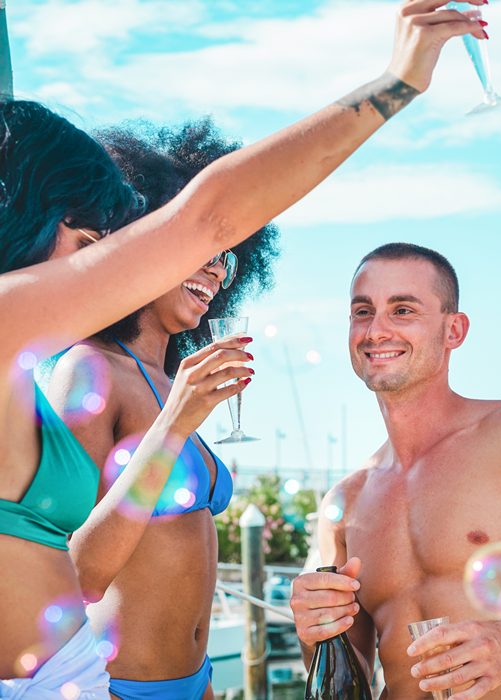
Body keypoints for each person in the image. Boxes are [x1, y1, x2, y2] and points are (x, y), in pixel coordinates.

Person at [0, 3, 487, 696]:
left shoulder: (126, 370)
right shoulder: (67, 355)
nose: (92, 263)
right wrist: (397, 82)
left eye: (225, 260)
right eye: (87, 245)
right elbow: (82, 570)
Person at [289, 243, 501, 700]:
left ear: (454, 330)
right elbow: (349, 674)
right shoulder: (346, 501)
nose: (376, 330)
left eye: (402, 310)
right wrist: (314, 633)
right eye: (362, 312)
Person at [45, 119, 278, 700]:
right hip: (117, 688)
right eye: (201, 249)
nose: (217, 269)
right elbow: (76, 572)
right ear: (142, 244)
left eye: (226, 257)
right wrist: (175, 422)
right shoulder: (90, 369)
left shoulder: (171, 380)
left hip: (198, 681)